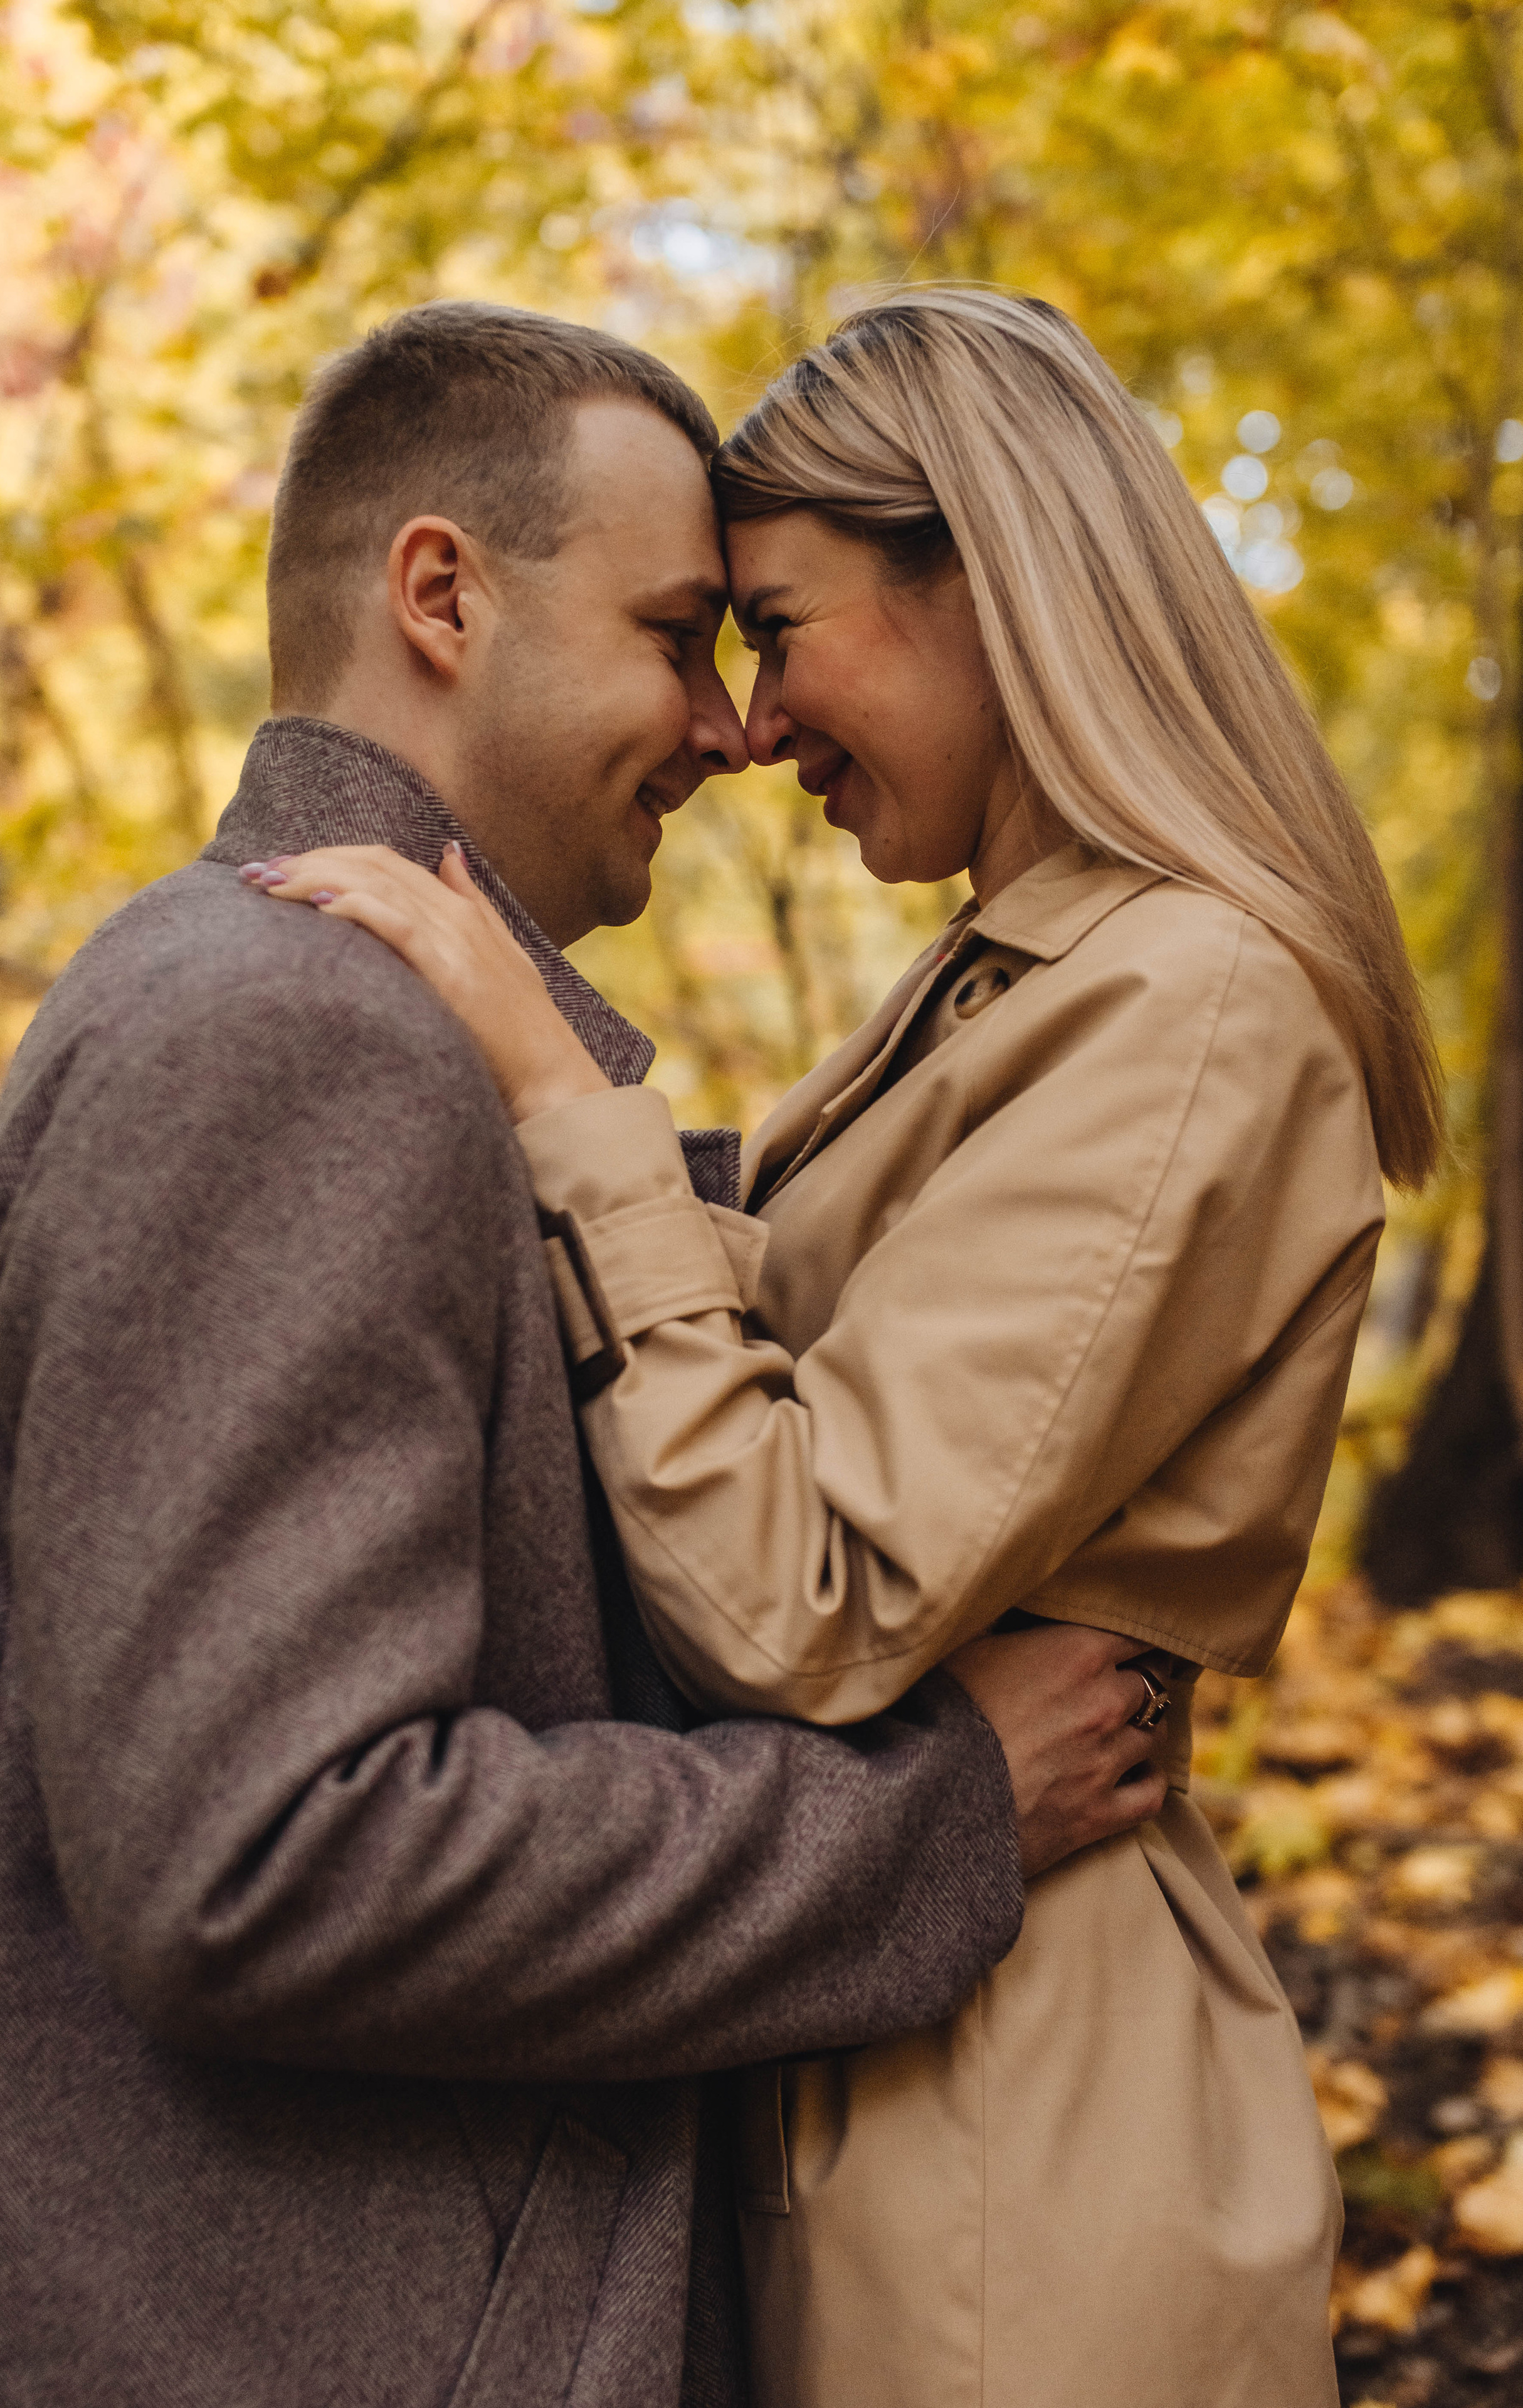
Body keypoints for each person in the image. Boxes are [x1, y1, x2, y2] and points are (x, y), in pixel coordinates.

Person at [0, 300, 1169, 2408]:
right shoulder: (290, 1040)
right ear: (441, 596)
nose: (727, 727)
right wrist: (932, 1817)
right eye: (682, 634)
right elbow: (270, 1858)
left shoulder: (324, 1022)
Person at [255, 288, 1445, 2408]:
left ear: (985, 579)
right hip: (896, 2029)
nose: (749, 724)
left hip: (1018, 2136)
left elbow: (812, 1602)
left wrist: (559, 1096)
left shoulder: (1190, 1000)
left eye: (779, 629)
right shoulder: (1006, 983)